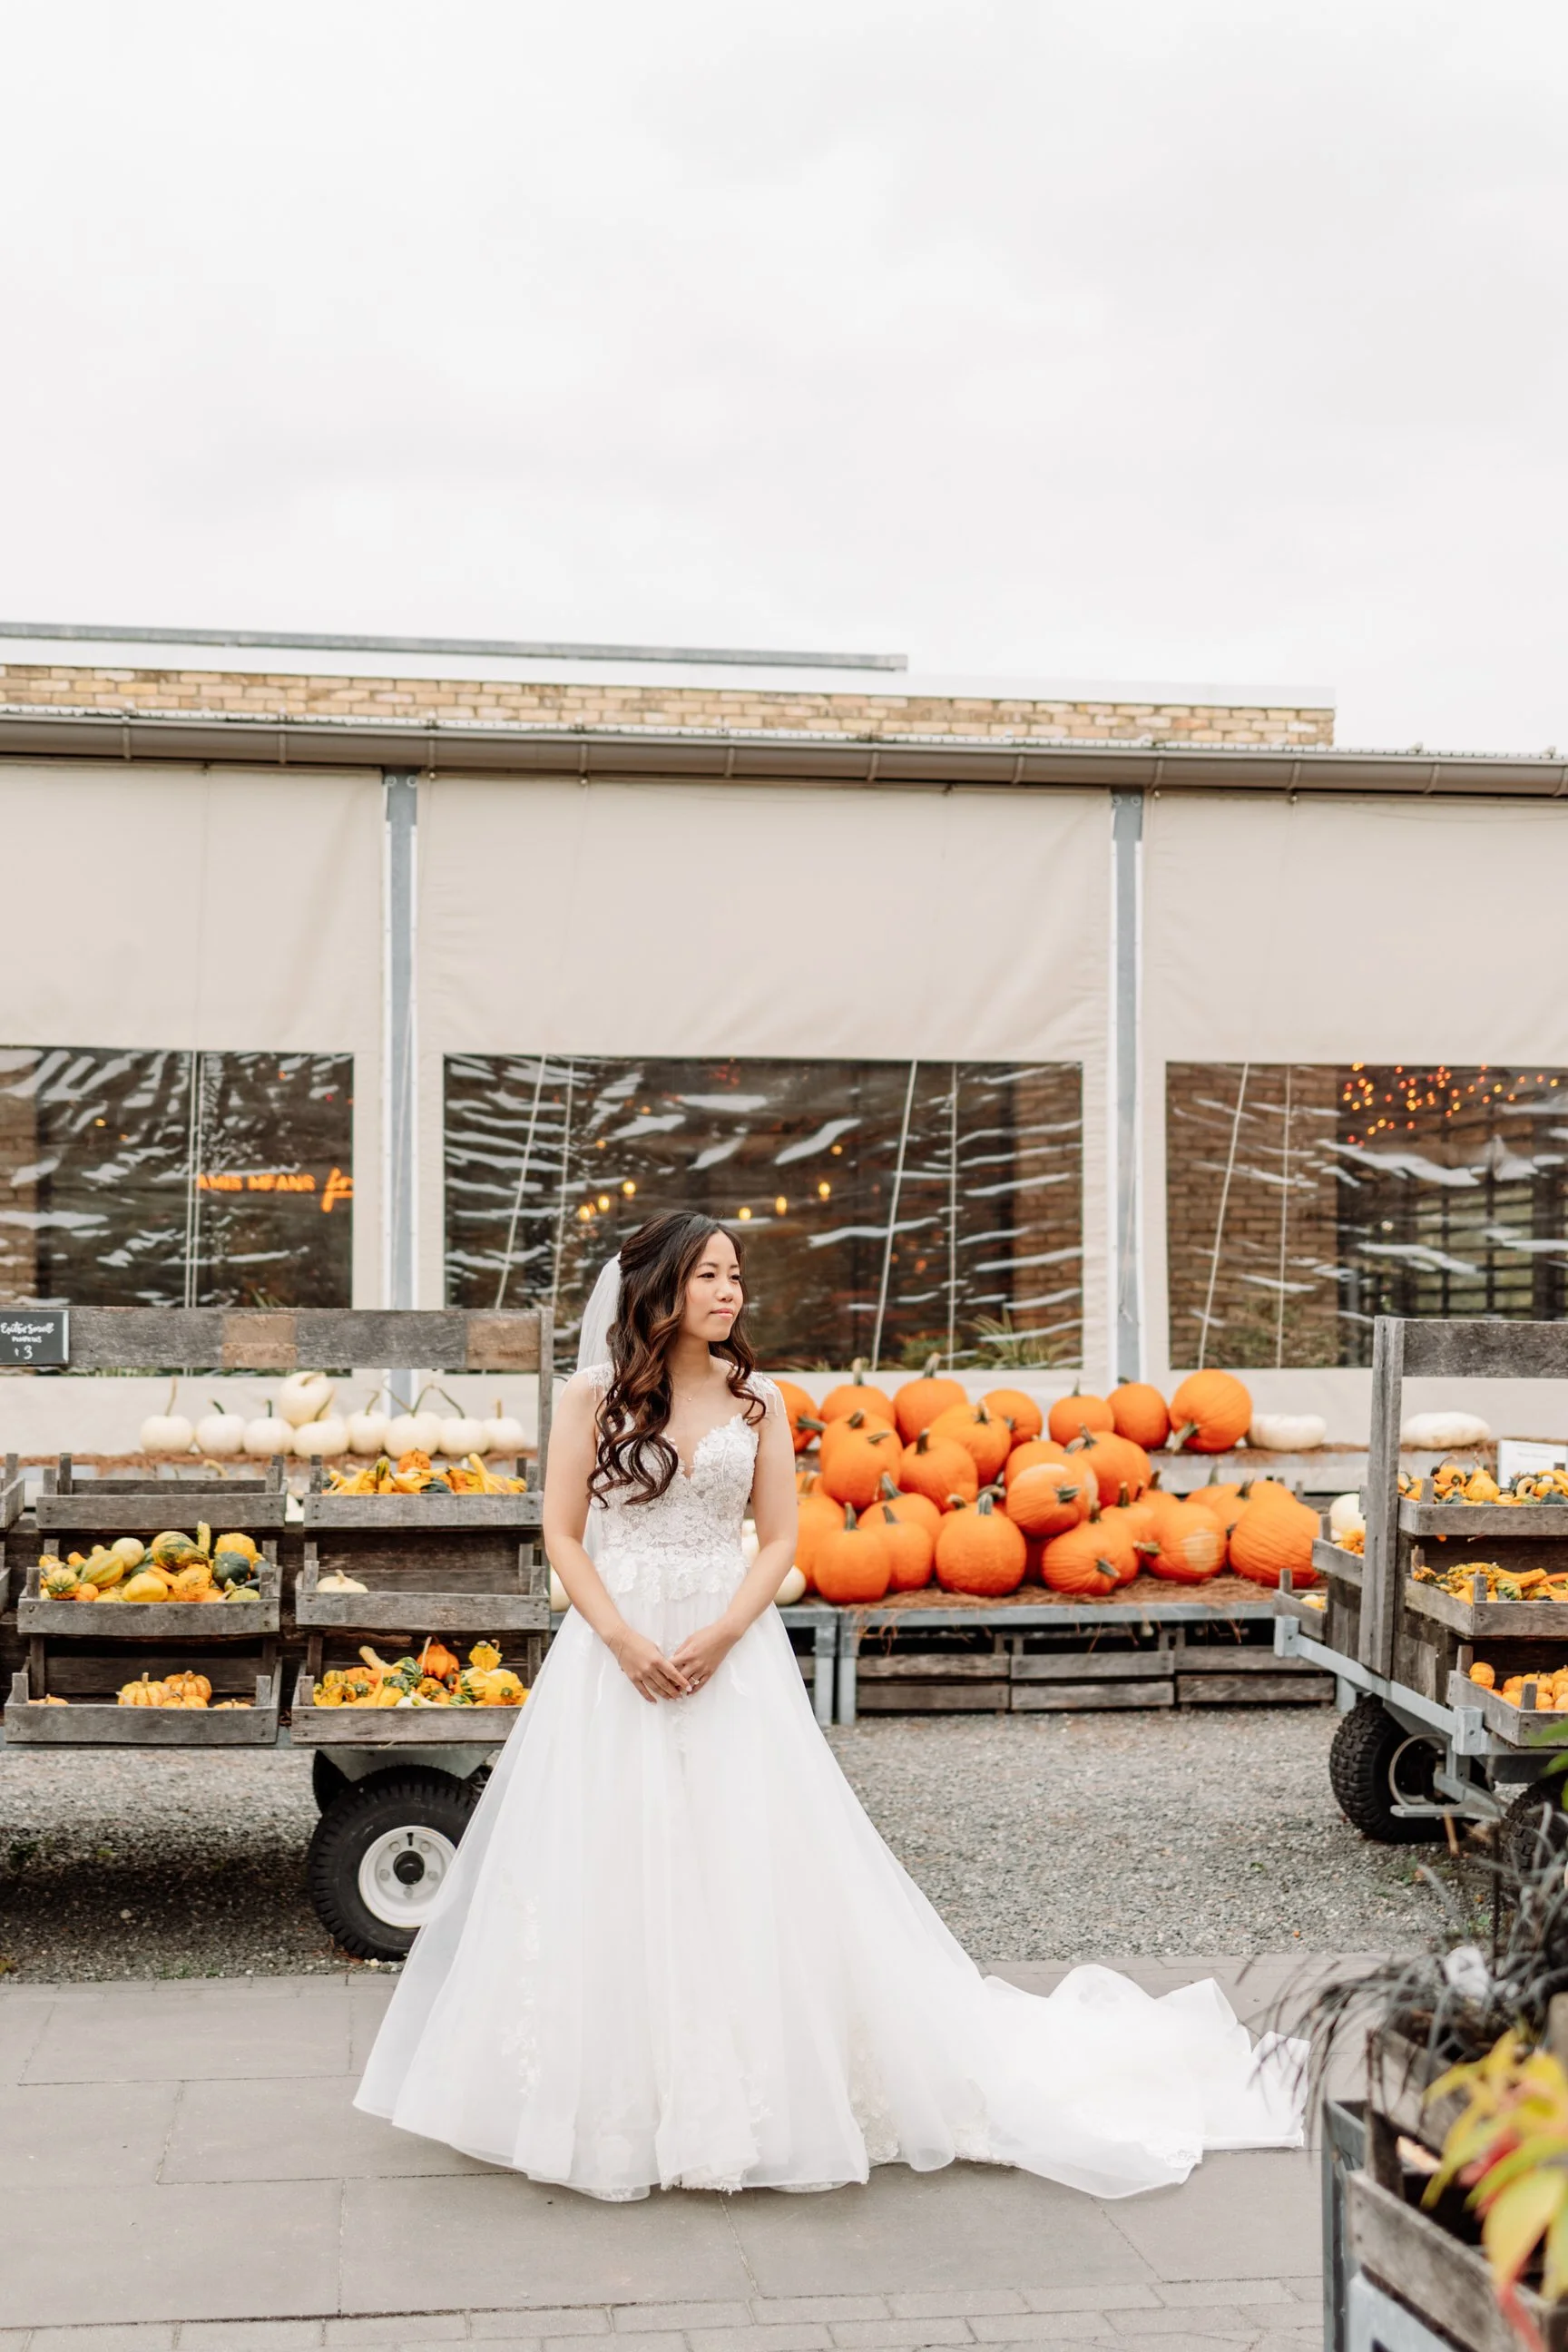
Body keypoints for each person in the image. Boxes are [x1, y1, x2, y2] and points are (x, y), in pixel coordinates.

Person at [356, 1209, 1306, 2202]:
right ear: (660, 1289)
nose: (729, 1293)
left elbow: (778, 1542)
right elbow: (561, 1535)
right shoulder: (590, 1397)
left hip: (731, 1651)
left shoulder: (758, 1400)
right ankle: (611, 2089)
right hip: (616, 1652)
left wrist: (724, 1632)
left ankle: (762, 2081)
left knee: (748, 1854)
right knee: (608, 1853)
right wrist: (624, 1641)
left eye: (735, 1277)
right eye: (710, 1276)